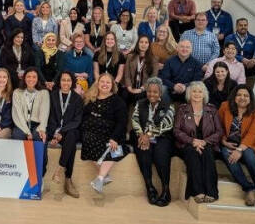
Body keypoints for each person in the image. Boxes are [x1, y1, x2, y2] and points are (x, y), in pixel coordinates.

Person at [174, 81, 223, 203]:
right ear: (189, 94)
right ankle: (198, 191)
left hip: (208, 144)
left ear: (204, 94)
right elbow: (176, 130)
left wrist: (205, 142)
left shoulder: (212, 110)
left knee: (207, 154)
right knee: (192, 153)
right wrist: (192, 141)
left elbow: (219, 131)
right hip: (187, 144)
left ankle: (212, 191)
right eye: (194, 91)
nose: (197, 94)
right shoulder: (182, 109)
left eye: (200, 91)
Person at [131, 77, 175, 206]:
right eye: (149, 91)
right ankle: (150, 187)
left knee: (161, 156)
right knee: (144, 154)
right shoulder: (140, 103)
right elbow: (134, 120)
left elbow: (167, 124)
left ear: (160, 93)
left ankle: (166, 190)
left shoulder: (168, 105)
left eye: (155, 92)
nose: (152, 94)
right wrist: (141, 134)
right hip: (141, 136)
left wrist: (148, 135)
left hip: (162, 137)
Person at [81, 73, 128, 193]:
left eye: (108, 82)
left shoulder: (118, 101)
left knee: (115, 149)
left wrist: (114, 138)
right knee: (88, 140)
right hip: (92, 132)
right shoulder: (90, 97)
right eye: (102, 82)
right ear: (98, 83)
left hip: (113, 134)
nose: (105, 84)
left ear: (112, 85)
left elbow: (122, 122)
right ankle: (104, 176)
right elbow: (85, 116)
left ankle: (100, 178)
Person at [219, 85, 255, 206]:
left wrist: (239, 150)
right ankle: (249, 188)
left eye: (246, 95)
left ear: (250, 98)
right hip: (229, 144)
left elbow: (253, 134)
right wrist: (223, 141)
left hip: (249, 145)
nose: (242, 97)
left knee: (249, 154)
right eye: (239, 95)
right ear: (234, 96)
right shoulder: (225, 107)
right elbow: (219, 127)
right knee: (227, 154)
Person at [47, 71, 84, 198]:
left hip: (69, 131)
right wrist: (54, 134)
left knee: (72, 135)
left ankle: (59, 170)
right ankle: (68, 180)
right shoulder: (52, 96)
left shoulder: (77, 98)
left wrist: (62, 132)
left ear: (72, 82)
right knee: (71, 144)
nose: (66, 83)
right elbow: (50, 117)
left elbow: (77, 120)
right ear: (59, 81)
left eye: (68, 80)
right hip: (55, 131)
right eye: (63, 80)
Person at [11, 67, 50, 176]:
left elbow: (44, 113)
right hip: (21, 125)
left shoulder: (44, 93)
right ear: (24, 78)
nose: (31, 79)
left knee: (40, 139)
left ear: (38, 79)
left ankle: (39, 175)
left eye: (34, 77)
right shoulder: (17, 92)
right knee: (17, 136)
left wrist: (42, 129)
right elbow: (17, 114)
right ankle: (18, 172)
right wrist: (27, 132)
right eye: (28, 76)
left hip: (37, 125)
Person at [123, 35, 159, 104]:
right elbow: (127, 75)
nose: (143, 44)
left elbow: (153, 78)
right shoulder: (130, 57)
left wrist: (141, 89)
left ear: (149, 45)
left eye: (146, 42)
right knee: (124, 95)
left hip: (144, 88)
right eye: (141, 42)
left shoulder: (154, 59)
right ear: (138, 44)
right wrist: (129, 87)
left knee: (139, 97)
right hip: (131, 86)